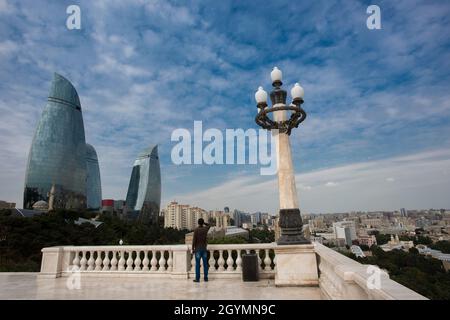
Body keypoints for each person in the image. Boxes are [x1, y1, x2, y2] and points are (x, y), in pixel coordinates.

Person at [192, 218, 210, 282]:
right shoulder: (205, 229)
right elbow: (209, 225)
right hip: (204, 249)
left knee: (197, 265)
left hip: (197, 249)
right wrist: (204, 223)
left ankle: (197, 278)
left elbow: (194, 240)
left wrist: (192, 248)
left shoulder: (196, 230)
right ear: (202, 223)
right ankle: (205, 278)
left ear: (198, 223)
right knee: (205, 264)